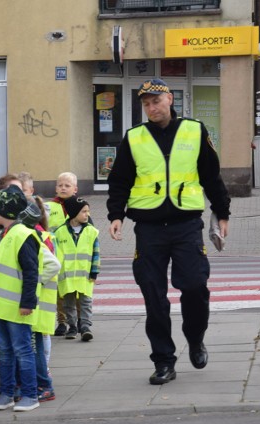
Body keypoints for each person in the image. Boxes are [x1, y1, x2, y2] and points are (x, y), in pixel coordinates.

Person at [107, 78, 231, 385]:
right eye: (146, 103)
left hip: (186, 225)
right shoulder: (134, 137)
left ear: (169, 100)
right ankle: (163, 361)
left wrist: (222, 211)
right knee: (154, 296)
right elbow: (119, 180)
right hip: (148, 229)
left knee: (194, 286)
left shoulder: (194, 130)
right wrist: (116, 215)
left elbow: (211, 175)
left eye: (156, 101)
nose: (151, 107)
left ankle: (196, 337)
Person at [0, 185, 41, 412]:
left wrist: (28, 302)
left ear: (5, 211)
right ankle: (6, 394)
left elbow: (31, 271)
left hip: (18, 307)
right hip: (1, 307)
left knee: (23, 351)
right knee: (5, 352)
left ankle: (29, 394)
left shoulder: (23, 235)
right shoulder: (1, 233)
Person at [17, 199, 60, 402]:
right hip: (32, 303)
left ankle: (44, 384)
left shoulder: (33, 237)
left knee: (36, 348)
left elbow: (53, 265)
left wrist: (35, 282)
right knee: (34, 347)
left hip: (37, 304)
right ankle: (38, 383)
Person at [55, 196, 100, 342]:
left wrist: (94, 271)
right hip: (66, 276)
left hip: (84, 275)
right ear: (74, 213)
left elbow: (96, 253)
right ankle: (72, 326)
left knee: (86, 302)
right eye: (84, 212)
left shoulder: (91, 232)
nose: (87, 214)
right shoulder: (59, 232)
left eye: (88, 211)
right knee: (68, 304)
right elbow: (56, 253)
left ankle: (85, 326)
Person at [45, 172, 79, 337]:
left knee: (77, 291)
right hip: (57, 254)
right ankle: (62, 321)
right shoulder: (50, 206)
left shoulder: (80, 206)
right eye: (60, 185)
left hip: (76, 258)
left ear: (75, 189)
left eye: (67, 185)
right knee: (59, 292)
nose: (63, 188)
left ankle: (79, 320)